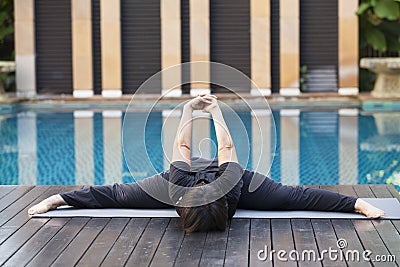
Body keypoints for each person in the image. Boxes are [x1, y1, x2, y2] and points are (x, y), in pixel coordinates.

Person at [28, 94, 385, 232]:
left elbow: (113, 193)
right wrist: (356, 204)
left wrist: (57, 200)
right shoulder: (238, 183)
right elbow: (227, 146)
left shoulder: (175, 184)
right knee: (286, 195)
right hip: (224, 174)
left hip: (187, 176)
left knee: (122, 193)